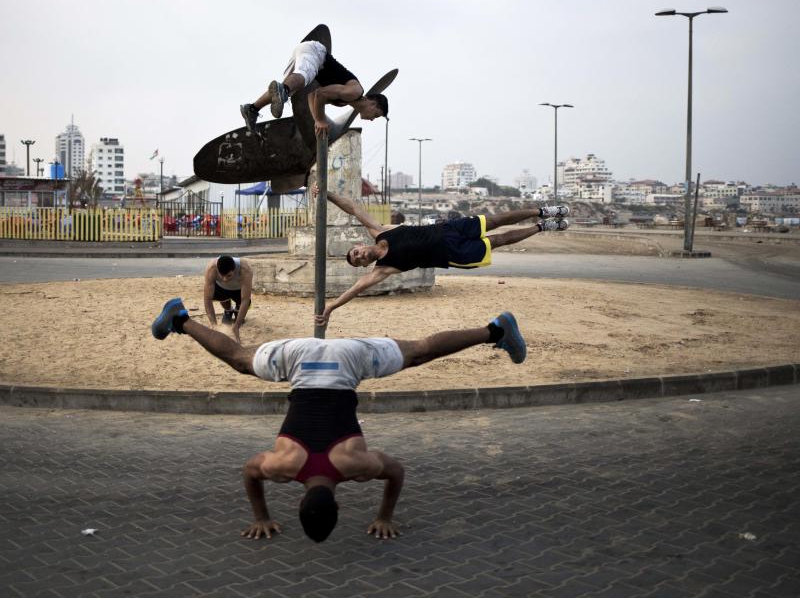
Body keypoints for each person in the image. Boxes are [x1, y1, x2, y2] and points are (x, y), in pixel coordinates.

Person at [150, 297, 527, 542]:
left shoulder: (356, 466)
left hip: (349, 360)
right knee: (240, 359)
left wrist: (384, 516)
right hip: (300, 357)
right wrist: (261, 515)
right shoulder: (282, 467)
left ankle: (496, 329)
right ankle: (181, 319)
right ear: (297, 504)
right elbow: (249, 471)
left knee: (420, 352)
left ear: (341, 505)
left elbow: (396, 472)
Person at [313, 185, 570, 327]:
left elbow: (354, 208)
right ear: (365, 264)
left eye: (356, 252)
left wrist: (327, 193)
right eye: (358, 260)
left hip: (450, 229)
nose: (359, 256)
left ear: (360, 244)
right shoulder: (383, 269)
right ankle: (542, 226)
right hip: (453, 253)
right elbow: (356, 288)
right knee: (500, 240)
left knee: (496, 220)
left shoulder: (379, 231)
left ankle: (542, 211)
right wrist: (331, 307)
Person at [240, 39, 388, 138]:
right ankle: (283, 89)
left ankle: (252, 109)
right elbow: (320, 93)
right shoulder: (355, 92)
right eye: (376, 114)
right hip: (315, 52)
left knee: (289, 90)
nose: (372, 119)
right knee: (303, 76)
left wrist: (317, 120)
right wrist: (320, 120)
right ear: (372, 103)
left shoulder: (344, 101)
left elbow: (312, 96)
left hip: (307, 54)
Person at [203, 255, 253, 342]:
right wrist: (214, 325)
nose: (225, 279)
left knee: (245, 303)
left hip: (239, 289)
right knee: (215, 294)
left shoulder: (245, 269)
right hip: (221, 288)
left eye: (229, 276)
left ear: (234, 270)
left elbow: (245, 299)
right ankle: (228, 310)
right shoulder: (211, 269)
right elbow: (207, 299)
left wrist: (236, 326)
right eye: (221, 275)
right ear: (217, 270)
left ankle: (237, 309)